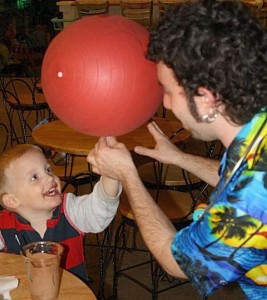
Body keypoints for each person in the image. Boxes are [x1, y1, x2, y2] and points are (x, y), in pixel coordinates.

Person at [87, 1, 267, 299]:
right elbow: (239, 178)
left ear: (207, 99)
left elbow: (177, 261)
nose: (166, 104)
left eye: (169, 92)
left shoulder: (248, 203)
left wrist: (128, 174)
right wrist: (178, 157)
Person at [0, 144, 121, 283]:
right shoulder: (4, 223)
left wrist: (111, 176)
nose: (50, 178)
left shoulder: (70, 210)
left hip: (71, 293)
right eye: (34, 177)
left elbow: (99, 208)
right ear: (12, 200)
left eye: (48, 170)